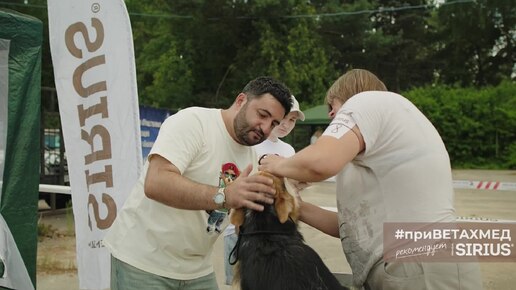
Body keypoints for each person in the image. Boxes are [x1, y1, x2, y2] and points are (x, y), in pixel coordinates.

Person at [258, 69, 482, 289]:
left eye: (332, 106)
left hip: (418, 261)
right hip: (419, 262)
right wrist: (294, 205)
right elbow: (352, 229)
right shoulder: (381, 152)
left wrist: (276, 163)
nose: (330, 115)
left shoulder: (365, 102)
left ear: (349, 96)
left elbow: (320, 162)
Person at [103, 76, 292, 290]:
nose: (266, 128)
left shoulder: (251, 157)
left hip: (197, 269)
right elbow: (155, 182)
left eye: (274, 123)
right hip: (144, 263)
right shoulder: (193, 122)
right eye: (262, 115)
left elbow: (242, 221)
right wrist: (225, 196)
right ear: (241, 101)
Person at [222, 95, 305, 285]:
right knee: (238, 283)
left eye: (293, 120)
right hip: (241, 228)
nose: (287, 124)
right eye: (284, 118)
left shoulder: (289, 151)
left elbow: (291, 196)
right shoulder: (251, 141)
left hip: (277, 235)